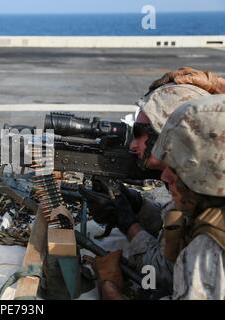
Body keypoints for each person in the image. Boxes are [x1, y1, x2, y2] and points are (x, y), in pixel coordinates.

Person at [93, 94, 225, 300]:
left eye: (176, 166)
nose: (164, 175)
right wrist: (139, 207)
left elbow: (163, 272)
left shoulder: (209, 248)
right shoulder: (209, 211)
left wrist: (110, 290)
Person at [149, 67, 225, 94]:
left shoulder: (191, 78)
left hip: (210, 83)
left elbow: (177, 80)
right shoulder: (185, 71)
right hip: (212, 80)